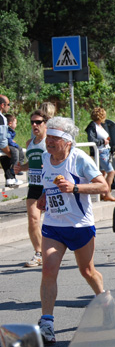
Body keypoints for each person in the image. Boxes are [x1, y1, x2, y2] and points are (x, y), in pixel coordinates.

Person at [36, 117, 112, 344]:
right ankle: (47, 322)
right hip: (53, 225)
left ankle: (104, 299)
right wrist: (43, 196)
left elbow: (103, 186)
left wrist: (75, 187)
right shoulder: (44, 158)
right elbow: (49, 184)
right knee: (48, 269)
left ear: (68, 141)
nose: (49, 141)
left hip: (79, 225)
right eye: (48, 137)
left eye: (54, 138)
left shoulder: (79, 159)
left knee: (87, 271)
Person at [14, 110, 48, 268]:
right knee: (33, 219)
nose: (35, 125)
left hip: (49, 186)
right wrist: (21, 167)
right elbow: (31, 164)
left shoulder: (50, 141)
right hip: (34, 186)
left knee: (58, 220)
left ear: (45, 124)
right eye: (32, 122)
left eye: (38, 122)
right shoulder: (30, 143)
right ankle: (39, 253)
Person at [85, 107, 115, 201]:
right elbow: (92, 140)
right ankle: (107, 193)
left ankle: (101, 194)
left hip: (105, 151)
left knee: (102, 173)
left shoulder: (100, 126)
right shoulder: (92, 126)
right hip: (100, 152)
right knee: (111, 172)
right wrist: (102, 141)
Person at [0, 95, 23, 187]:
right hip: (1, 145)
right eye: (8, 104)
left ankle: (10, 178)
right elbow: (2, 139)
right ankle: (13, 174)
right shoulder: (2, 118)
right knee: (13, 151)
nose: (9, 107)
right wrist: (8, 152)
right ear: (2, 105)